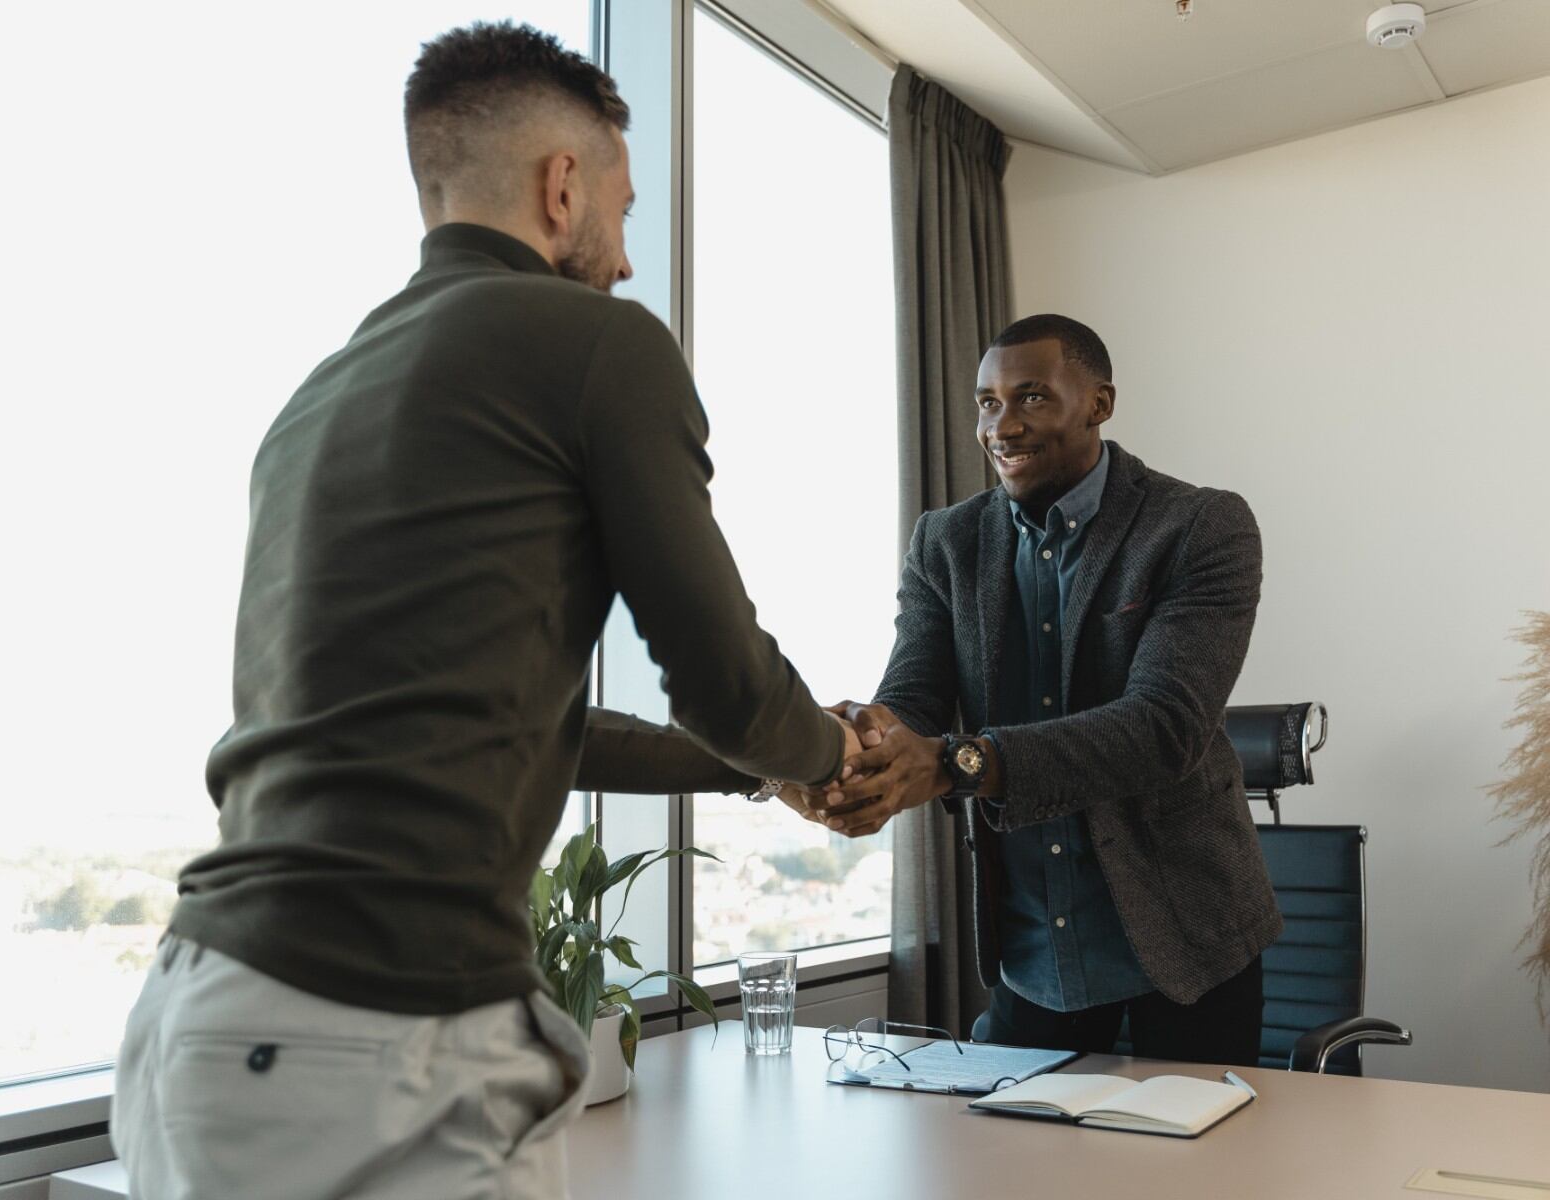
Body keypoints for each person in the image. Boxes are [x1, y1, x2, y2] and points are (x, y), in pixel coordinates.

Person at [109, 22, 856, 1200]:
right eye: (622, 210)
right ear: (563, 188)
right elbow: (725, 681)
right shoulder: (597, 345)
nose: (626, 260)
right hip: (370, 1032)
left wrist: (751, 775)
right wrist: (834, 755)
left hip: (200, 1016)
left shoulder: (322, 395)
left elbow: (509, 720)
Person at [797, 314, 1280, 1065]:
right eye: (987, 403)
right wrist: (851, 745)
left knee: (1197, 1143)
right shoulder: (945, 542)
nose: (1003, 426)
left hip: (1186, 942)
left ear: (1099, 403)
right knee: (1008, 1141)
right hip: (1034, 950)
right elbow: (914, 704)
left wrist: (959, 762)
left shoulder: (1199, 526)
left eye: (1031, 397)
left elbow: (1163, 728)